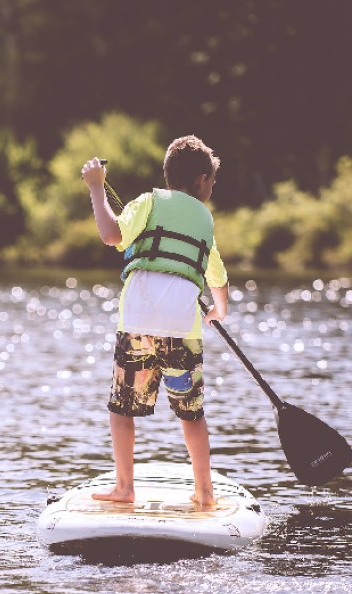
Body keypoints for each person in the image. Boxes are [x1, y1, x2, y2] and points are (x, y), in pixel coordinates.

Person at [81, 135, 229, 509]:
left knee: (122, 408)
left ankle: (125, 488)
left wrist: (97, 189)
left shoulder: (148, 202)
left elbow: (111, 234)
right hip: (183, 330)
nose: (212, 187)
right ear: (200, 181)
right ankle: (205, 493)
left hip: (138, 325)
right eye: (211, 180)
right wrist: (219, 310)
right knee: (191, 413)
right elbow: (217, 277)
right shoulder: (205, 220)